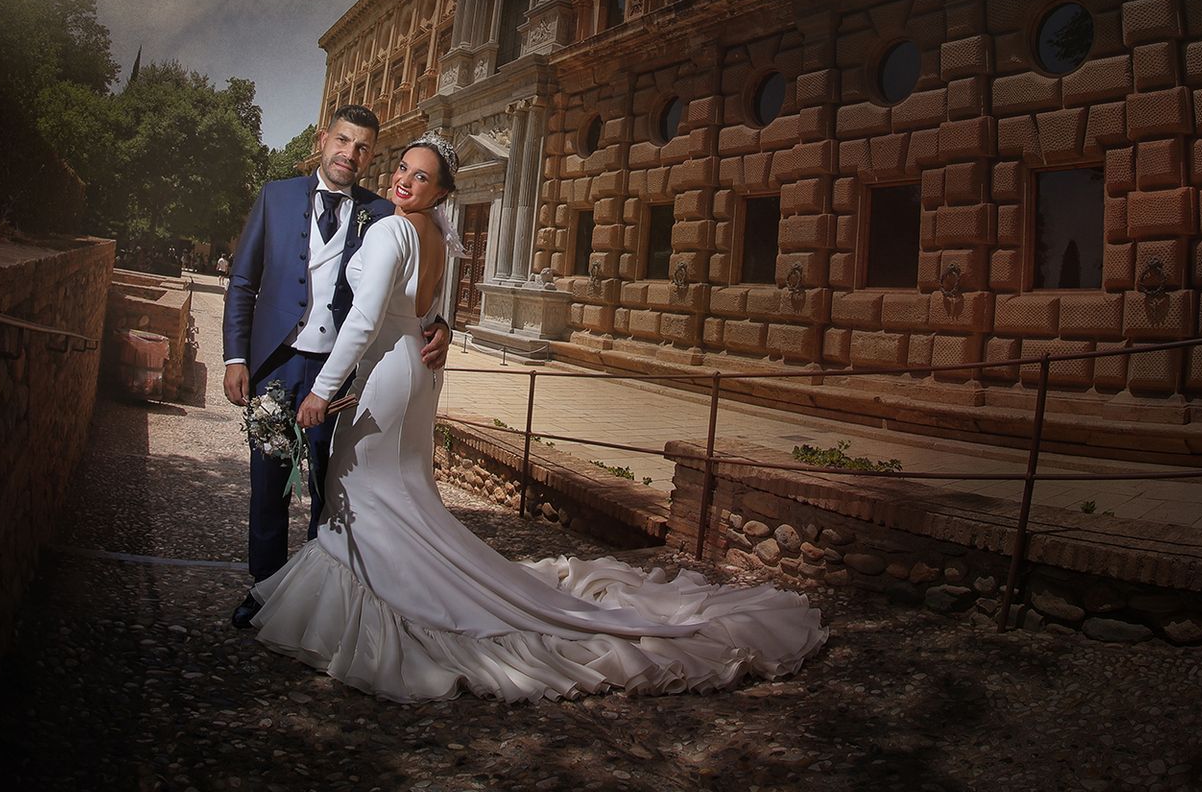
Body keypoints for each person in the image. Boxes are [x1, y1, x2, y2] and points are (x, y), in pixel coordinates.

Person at [250, 133, 826, 702]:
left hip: (384, 374)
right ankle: (414, 575)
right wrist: (440, 326)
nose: (403, 179)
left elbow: (365, 318)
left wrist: (323, 390)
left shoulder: (393, 226)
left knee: (365, 490)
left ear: (442, 191)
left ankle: (397, 598)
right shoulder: (434, 234)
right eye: (402, 167)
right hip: (415, 373)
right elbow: (424, 308)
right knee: (398, 489)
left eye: (421, 175)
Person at [222, 105, 451, 629]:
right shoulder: (275, 196)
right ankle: (261, 592)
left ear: (372, 156)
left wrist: (440, 326)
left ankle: (311, 601)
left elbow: (410, 288)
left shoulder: (384, 210)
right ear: (324, 140)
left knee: (331, 490)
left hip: (341, 375)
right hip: (274, 363)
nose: (351, 153)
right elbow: (242, 282)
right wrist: (237, 355)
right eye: (343, 141)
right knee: (267, 481)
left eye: (364, 147)